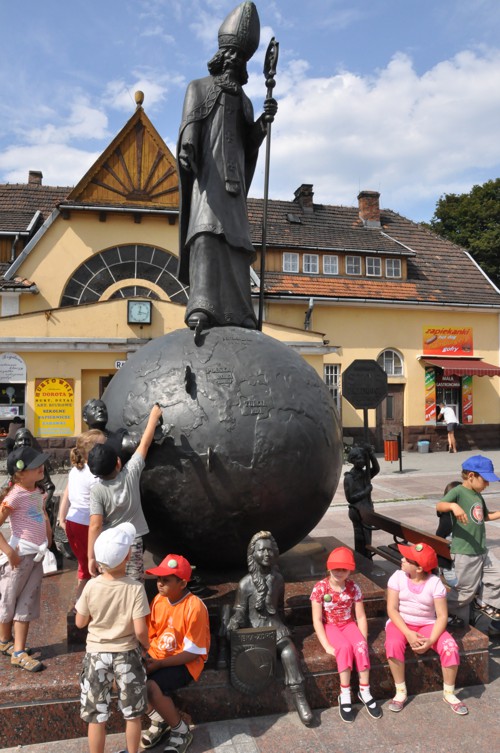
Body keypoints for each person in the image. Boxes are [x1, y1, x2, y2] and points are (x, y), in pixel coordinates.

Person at [177, 0, 277, 330]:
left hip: (234, 184)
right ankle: (202, 306)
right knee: (206, 234)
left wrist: (263, 123)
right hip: (208, 179)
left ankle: (240, 312)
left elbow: (249, 144)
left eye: (240, 57)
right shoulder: (198, 87)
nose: (235, 60)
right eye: (231, 54)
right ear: (220, 56)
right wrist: (188, 146)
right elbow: (190, 124)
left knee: (237, 244)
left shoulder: (245, 102)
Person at [75, 522, 150, 753]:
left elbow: (80, 622)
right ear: (127, 556)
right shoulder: (135, 588)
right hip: (126, 654)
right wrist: (148, 646)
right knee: (132, 713)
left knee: (96, 715)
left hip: (96, 654)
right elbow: (140, 630)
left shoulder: (91, 586)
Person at [226, 530, 313, 726]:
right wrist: (236, 619)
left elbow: (279, 607)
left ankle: (300, 697)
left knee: (289, 652)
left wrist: (285, 626)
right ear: (253, 554)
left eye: (270, 550)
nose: (266, 554)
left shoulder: (279, 580)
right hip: (253, 629)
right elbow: (239, 609)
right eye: (261, 550)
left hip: (275, 627)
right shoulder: (245, 583)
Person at [385, 541, 467, 715]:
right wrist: (408, 633)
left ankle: (449, 693)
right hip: (400, 623)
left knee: (450, 647)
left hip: (427, 624)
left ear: (420, 568)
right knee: (393, 644)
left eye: (407, 559)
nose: (402, 559)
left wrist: (431, 641)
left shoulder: (434, 583)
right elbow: (391, 609)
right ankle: (400, 691)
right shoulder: (397, 577)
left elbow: (442, 616)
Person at [140, 554, 210, 752]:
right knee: (124, 677)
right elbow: (151, 635)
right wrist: (145, 658)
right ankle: (159, 719)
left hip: (185, 662)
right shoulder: (158, 600)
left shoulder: (194, 606)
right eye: (158, 579)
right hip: (157, 657)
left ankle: (181, 730)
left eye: (166, 580)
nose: (159, 584)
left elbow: (193, 653)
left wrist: (160, 664)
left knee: (151, 687)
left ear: (182, 583)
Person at [87, 403, 163, 582]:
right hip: (133, 540)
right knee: (134, 581)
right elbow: (144, 445)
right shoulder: (130, 474)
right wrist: (153, 418)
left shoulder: (97, 491)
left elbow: (95, 525)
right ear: (119, 463)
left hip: (109, 544)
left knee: (112, 580)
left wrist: (91, 556)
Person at [310, 546, 381, 723]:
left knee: (360, 646)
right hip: (331, 625)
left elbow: (361, 616)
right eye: (336, 568)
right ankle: (345, 692)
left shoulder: (353, 587)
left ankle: (364, 690)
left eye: (344, 569)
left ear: (350, 571)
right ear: (329, 568)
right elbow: (317, 620)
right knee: (343, 647)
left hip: (348, 623)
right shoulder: (320, 588)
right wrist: (327, 645)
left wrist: (362, 639)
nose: (339, 572)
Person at [0, 446, 51, 672]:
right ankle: (6, 641)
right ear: (20, 473)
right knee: (9, 600)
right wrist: (9, 552)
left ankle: (18, 650)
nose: (41, 467)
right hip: (20, 557)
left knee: (26, 602)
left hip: (36, 556)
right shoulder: (15, 495)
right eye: (35, 465)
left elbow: (41, 513)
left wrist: (48, 535)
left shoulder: (38, 491)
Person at [436, 455, 500, 625]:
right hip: (465, 552)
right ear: (471, 476)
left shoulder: (477, 495)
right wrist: (453, 506)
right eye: (485, 480)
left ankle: (483, 602)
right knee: (465, 592)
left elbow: (485, 516)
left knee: (498, 575)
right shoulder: (458, 491)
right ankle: (440, 612)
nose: (487, 484)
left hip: (481, 549)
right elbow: (440, 505)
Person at [57, 429, 106, 600]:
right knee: (91, 568)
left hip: (73, 521)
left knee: (83, 565)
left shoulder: (76, 469)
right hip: (86, 525)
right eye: (103, 445)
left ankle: (82, 604)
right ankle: (81, 606)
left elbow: (67, 493)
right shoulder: (94, 474)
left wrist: (62, 517)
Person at [343, 445, 380, 559]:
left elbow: (376, 469)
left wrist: (371, 455)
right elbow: (350, 498)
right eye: (359, 458)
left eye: (364, 458)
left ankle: (366, 557)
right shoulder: (349, 478)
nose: (363, 461)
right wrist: (366, 491)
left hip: (366, 509)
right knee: (361, 538)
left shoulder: (365, 474)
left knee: (367, 537)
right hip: (357, 511)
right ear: (353, 460)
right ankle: (362, 558)